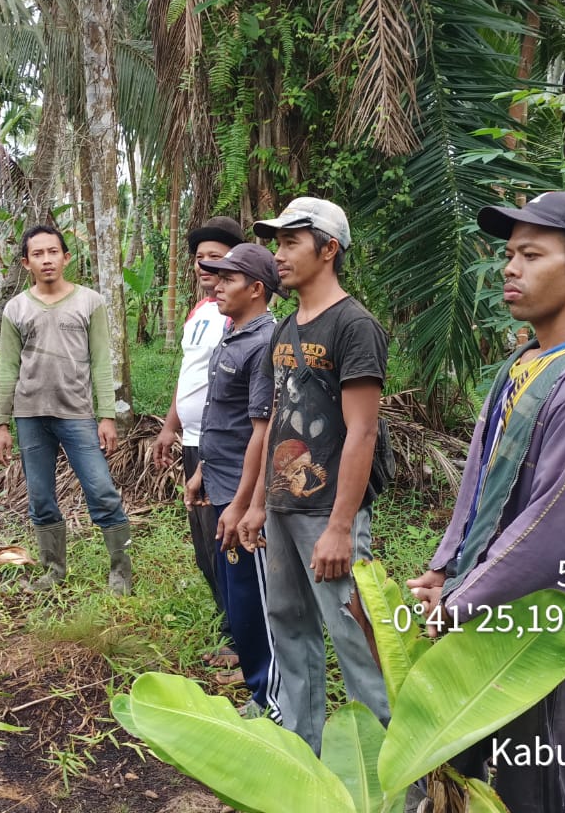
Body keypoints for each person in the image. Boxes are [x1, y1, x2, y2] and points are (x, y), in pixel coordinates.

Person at [407, 191, 565, 813]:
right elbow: (478, 483)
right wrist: (445, 567)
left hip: (541, 634)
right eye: (509, 254)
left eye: (531, 255)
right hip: (484, 612)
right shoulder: (524, 365)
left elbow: (551, 531)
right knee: (449, 777)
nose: (510, 268)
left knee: (533, 795)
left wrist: (458, 601)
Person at [231, 197, 390, 752]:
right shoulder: (284, 329)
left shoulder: (354, 325)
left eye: (291, 242)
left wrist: (341, 527)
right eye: (277, 243)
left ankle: (389, 767)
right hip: (282, 508)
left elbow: (362, 432)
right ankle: (303, 751)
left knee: (353, 636)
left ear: (328, 250)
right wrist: (257, 504)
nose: (279, 254)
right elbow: (277, 418)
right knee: (289, 625)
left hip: (328, 512)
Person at [0, 225, 133, 595]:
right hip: (30, 416)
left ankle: (121, 571)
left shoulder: (89, 302)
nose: (47, 260)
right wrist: (1, 424)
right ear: (26, 263)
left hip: (77, 414)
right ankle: (53, 570)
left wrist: (106, 415)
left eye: (53, 252)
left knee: (101, 490)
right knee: (40, 498)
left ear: (66, 257)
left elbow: (101, 362)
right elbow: (8, 368)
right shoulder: (16, 308)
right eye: (37, 254)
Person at [185, 243, 281, 717]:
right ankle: (258, 685)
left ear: (256, 289)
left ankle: (270, 697)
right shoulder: (233, 334)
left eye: (228, 279)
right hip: (219, 480)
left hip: (240, 494)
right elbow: (223, 417)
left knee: (253, 597)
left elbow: (262, 431)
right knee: (236, 595)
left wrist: (244, 504)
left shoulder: (264, 344)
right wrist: (203, 470)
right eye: (215, 277)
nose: (216, 286)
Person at [150, 216, 245, 668]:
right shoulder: (199, 312)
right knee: (206, 545)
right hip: (192, 442)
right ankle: (230, 625)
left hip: (222, 446)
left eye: (216, 257)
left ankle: (244, 637)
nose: (205, 265)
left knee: (229, 541)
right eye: (200, 257)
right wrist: (170, 426)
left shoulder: (237, 313)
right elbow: (189, 376)